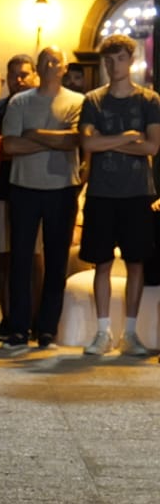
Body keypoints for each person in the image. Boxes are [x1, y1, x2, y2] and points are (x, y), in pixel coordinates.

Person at [76, 34, 160, 357]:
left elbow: (152, 146)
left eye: (119, 59)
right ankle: (102, 332)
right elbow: (87, 145)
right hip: (101, 192)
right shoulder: (93, 101)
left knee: (136, 262)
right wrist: (126, 137)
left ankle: (130, 333)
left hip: (138, 192)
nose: (113, 66)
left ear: (131, 58)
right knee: (102, 263)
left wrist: (105, 139)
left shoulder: (149, 99)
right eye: (108, 60)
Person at [0, 46, 83, 350]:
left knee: (57, 261)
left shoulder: (78, 101)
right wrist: (52, 140)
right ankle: (19, 328)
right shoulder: (20, 101)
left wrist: (32, 134)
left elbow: (75, 139)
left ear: (62, 68)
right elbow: (9, 146)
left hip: (62, 190)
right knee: (20, 259)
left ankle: (47, 329)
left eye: (56, 62)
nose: (50, 65)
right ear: (37, 68)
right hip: (23, 188)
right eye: (45, 61)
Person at [0, 53, 37, 343]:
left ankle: (36, 320)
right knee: (6, 258)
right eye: (15, 74)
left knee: (34, 259)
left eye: (25, 73)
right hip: (2, 191)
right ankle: (7, 319)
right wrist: (32, 143)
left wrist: (20, 144)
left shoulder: (42, 106)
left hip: (35, 188)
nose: (20, 79)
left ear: (35, 75)